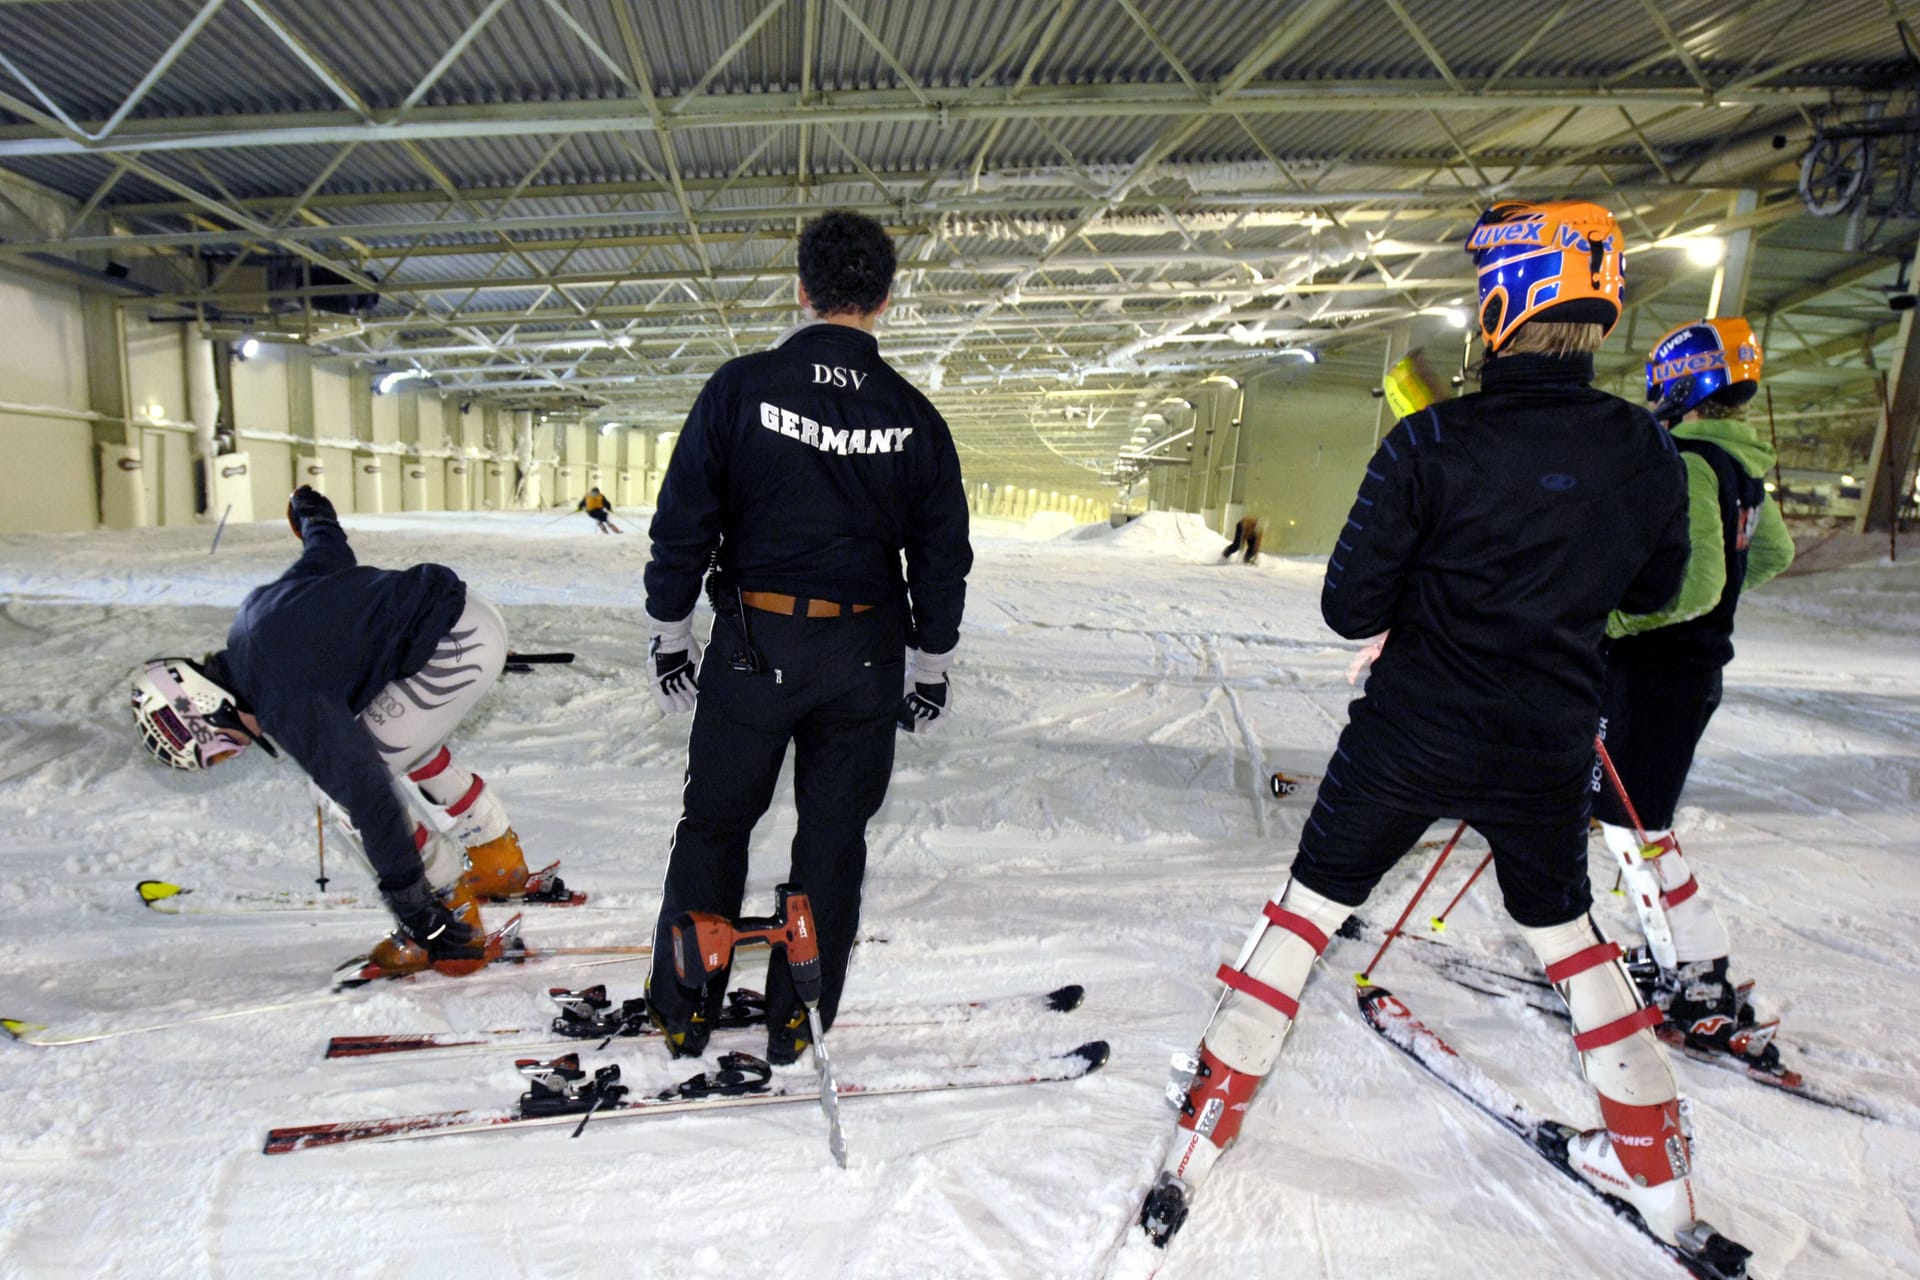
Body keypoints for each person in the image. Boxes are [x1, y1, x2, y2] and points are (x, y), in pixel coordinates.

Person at [1139, 200, 1719, 1256]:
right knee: (1570, 939)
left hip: (1410, 732)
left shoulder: (1433, 437)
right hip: (1544, 739)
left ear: (1506, 301)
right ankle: (1664, 1184)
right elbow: (1658, 583)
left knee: (1306, 913)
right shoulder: (1643, 448)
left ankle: (1199, 1135)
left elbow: (1350, 608)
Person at [640, 209, 972, 1065]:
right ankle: (799, 1017)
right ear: (886, 301)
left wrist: (671, 632)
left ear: (801, 288)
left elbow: (685, 523)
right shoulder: (915, 417)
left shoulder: (740, 389)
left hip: (754, 651)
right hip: (863, 658)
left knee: (714, 826)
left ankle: (687, 1007)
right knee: (831, 841)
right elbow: (940, 558)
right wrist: (930, 665)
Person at [130, 485, 555, 975]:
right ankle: (496, 858)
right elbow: (328, 555)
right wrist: (314, 516)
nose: (231, 755)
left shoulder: (283, 698)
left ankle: (452, 914)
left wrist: (419, 914)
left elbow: (371, 800)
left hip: (453, 647)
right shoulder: (253, 619)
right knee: (402, 743)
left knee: (342, 792)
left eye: (217, 749)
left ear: (210, 711)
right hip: (465, 615)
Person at [1593, 317, 1795, 1068]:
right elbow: (1772, 551)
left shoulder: (1688, 461)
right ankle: (1677, 956)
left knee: (1636, 829)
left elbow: (1698, 586)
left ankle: (1699, 971)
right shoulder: (1738, 461)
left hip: (1654, 675)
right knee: (1632, 824)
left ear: (1680, 384)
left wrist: (1611, 618)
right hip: (1686, 675)